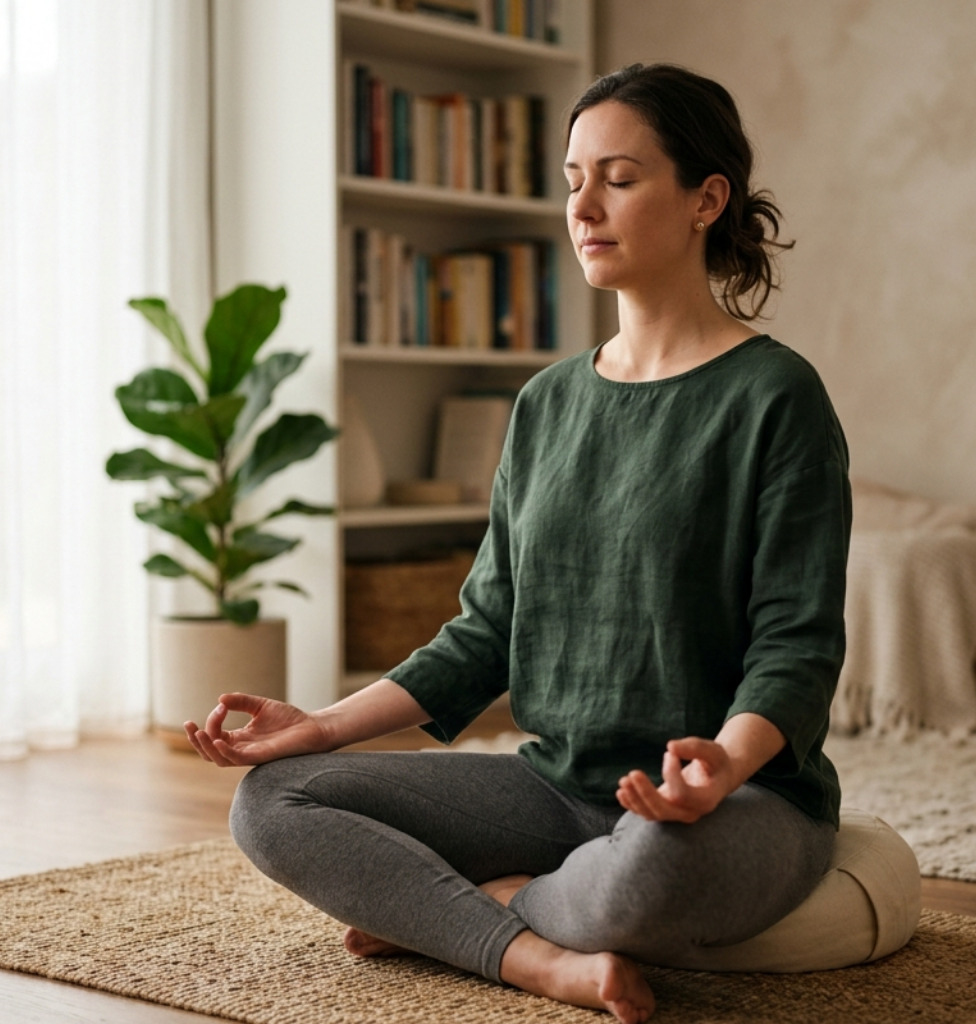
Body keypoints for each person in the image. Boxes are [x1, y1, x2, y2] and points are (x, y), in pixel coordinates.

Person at [185, 63, 851, 1024]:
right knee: (273, 801)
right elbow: (485, 631)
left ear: (707, 198)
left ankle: (464, 916)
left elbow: (797, 643)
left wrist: (725, 767)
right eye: (573, 179)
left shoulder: (775, 397)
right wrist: (320, 726)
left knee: (646, 875)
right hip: (554, 790)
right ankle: (535, 957)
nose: (584, 205)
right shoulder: (546, 404)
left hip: (734, 808)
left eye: (619, 178)